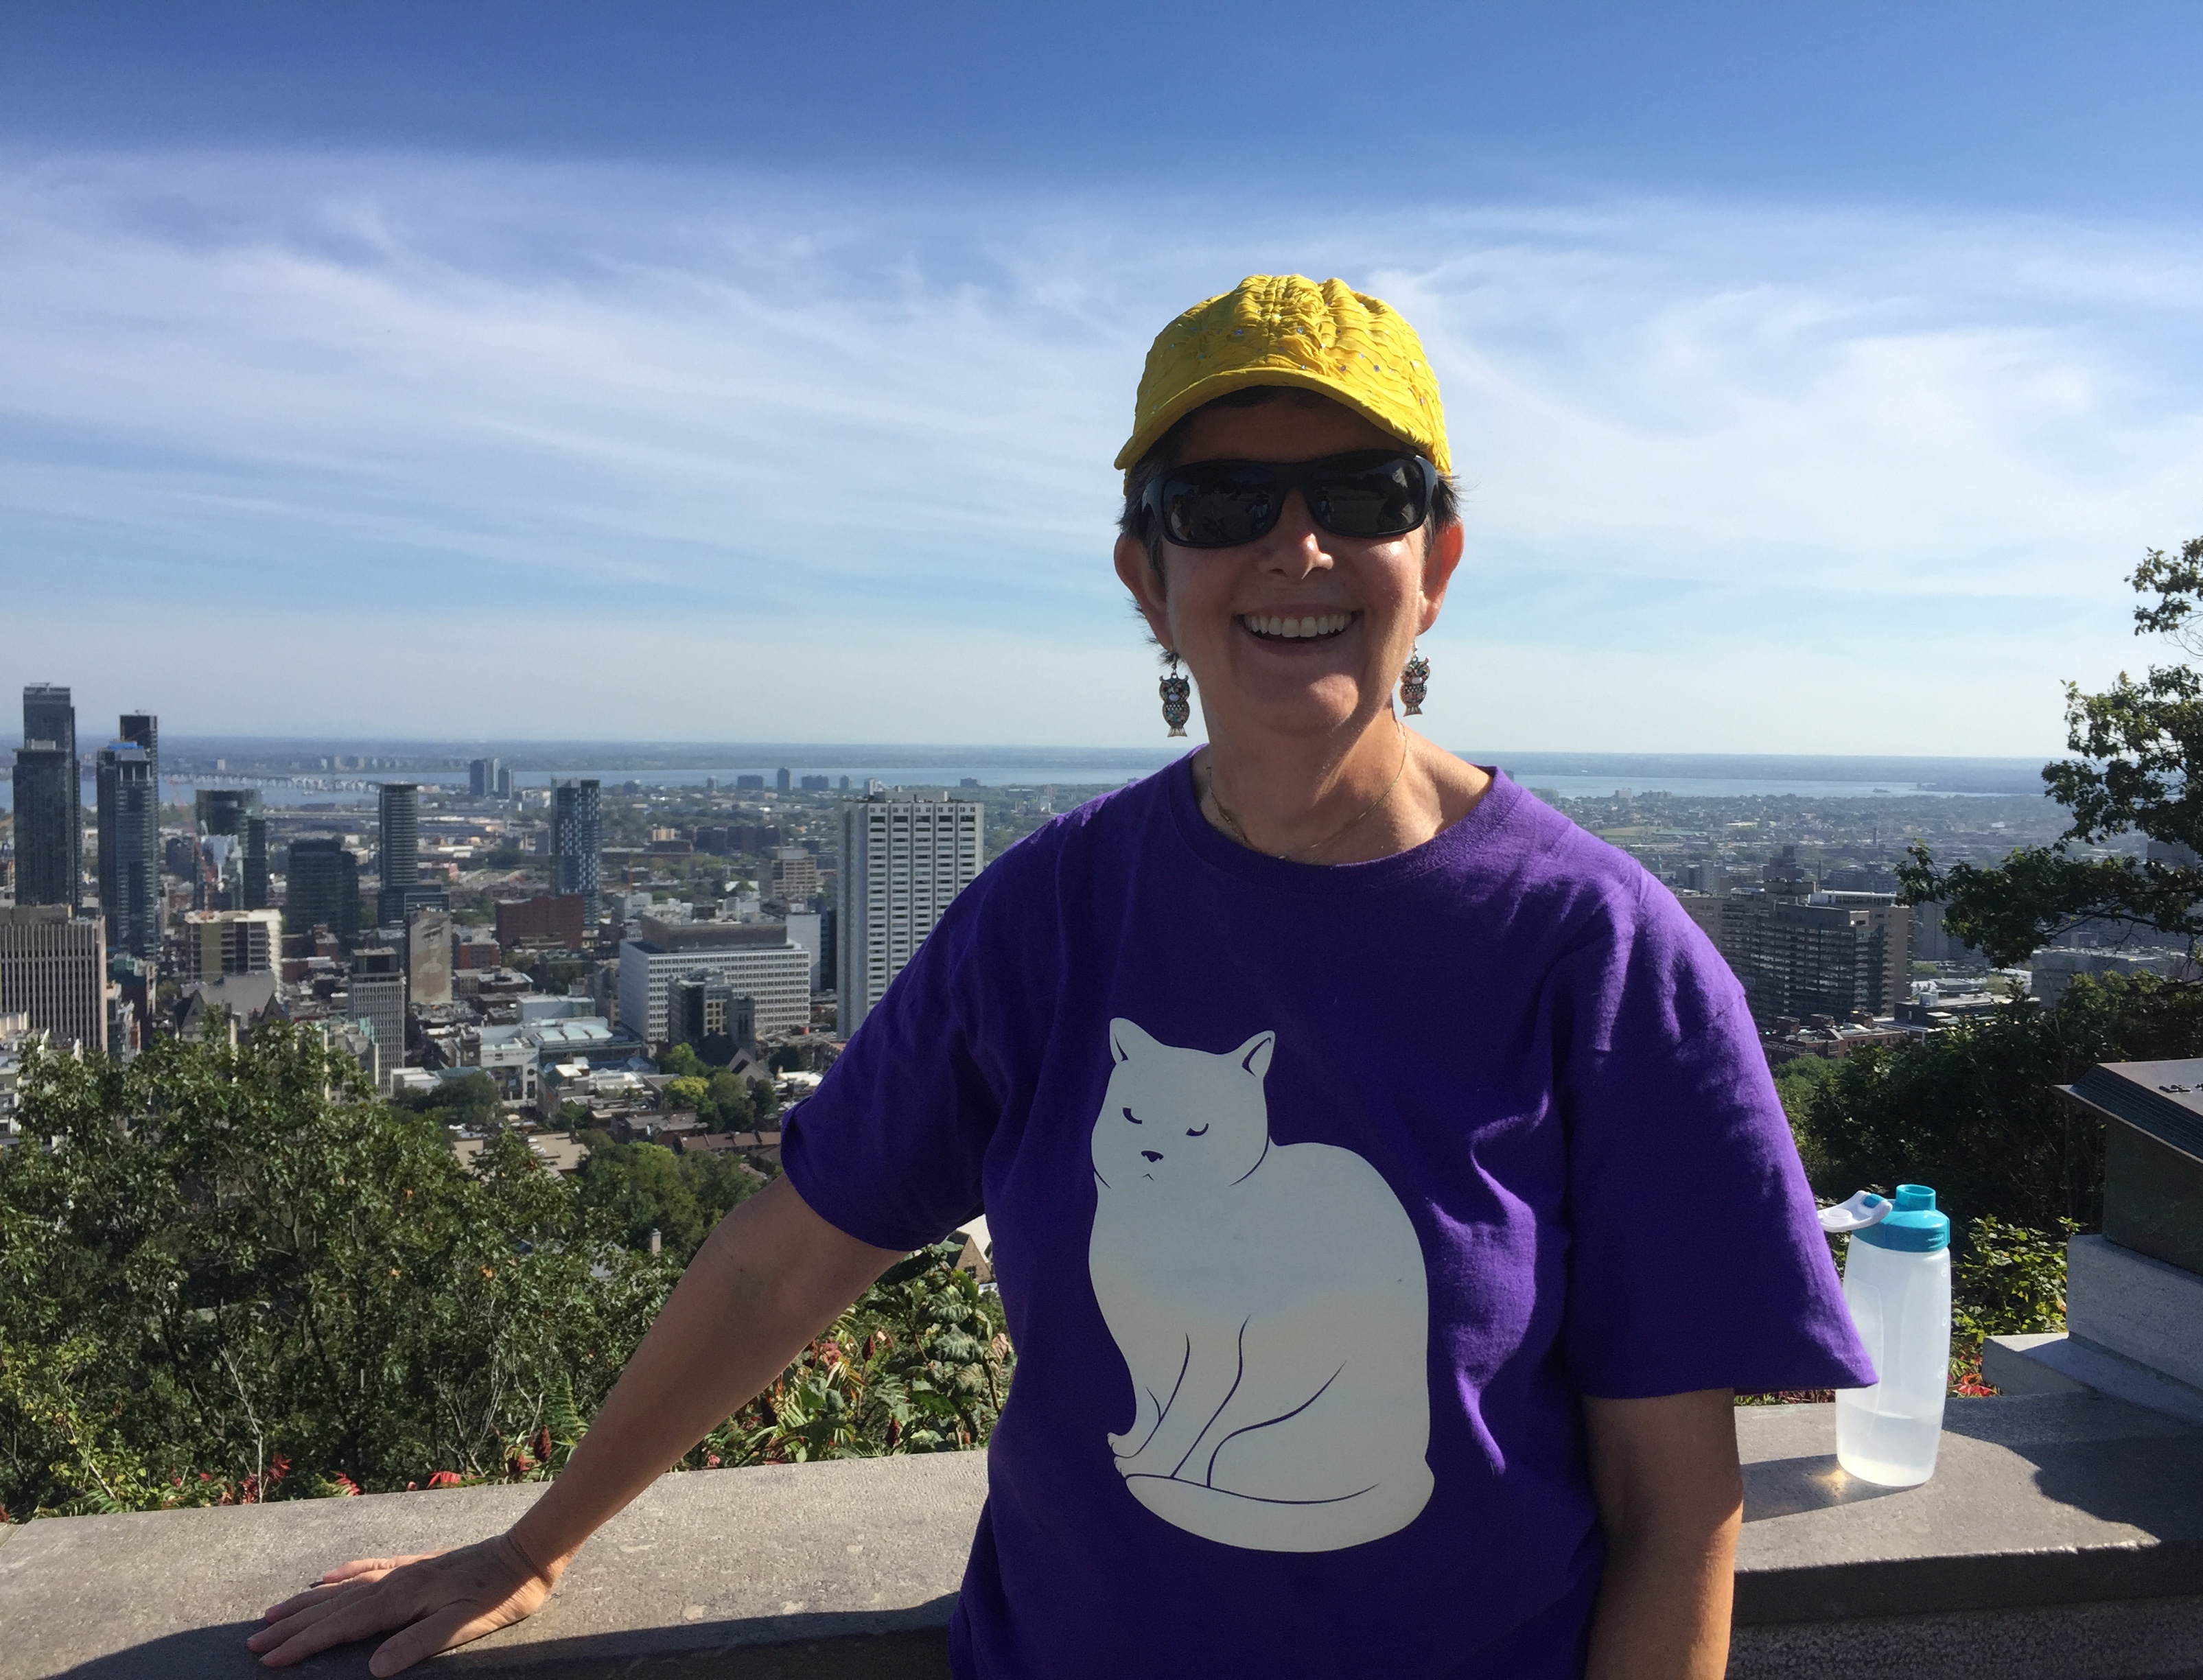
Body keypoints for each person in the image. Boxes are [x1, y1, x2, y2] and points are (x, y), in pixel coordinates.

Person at [250, 275, 1872, 1679]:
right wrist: (531, 1544)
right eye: (1220, 505)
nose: (1297, 544)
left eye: (1362, 494)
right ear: (1145, 580)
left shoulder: (1600, 954)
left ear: (1433, 560)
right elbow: (782, 1268)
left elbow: (1677, 1503)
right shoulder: (1049, 917)